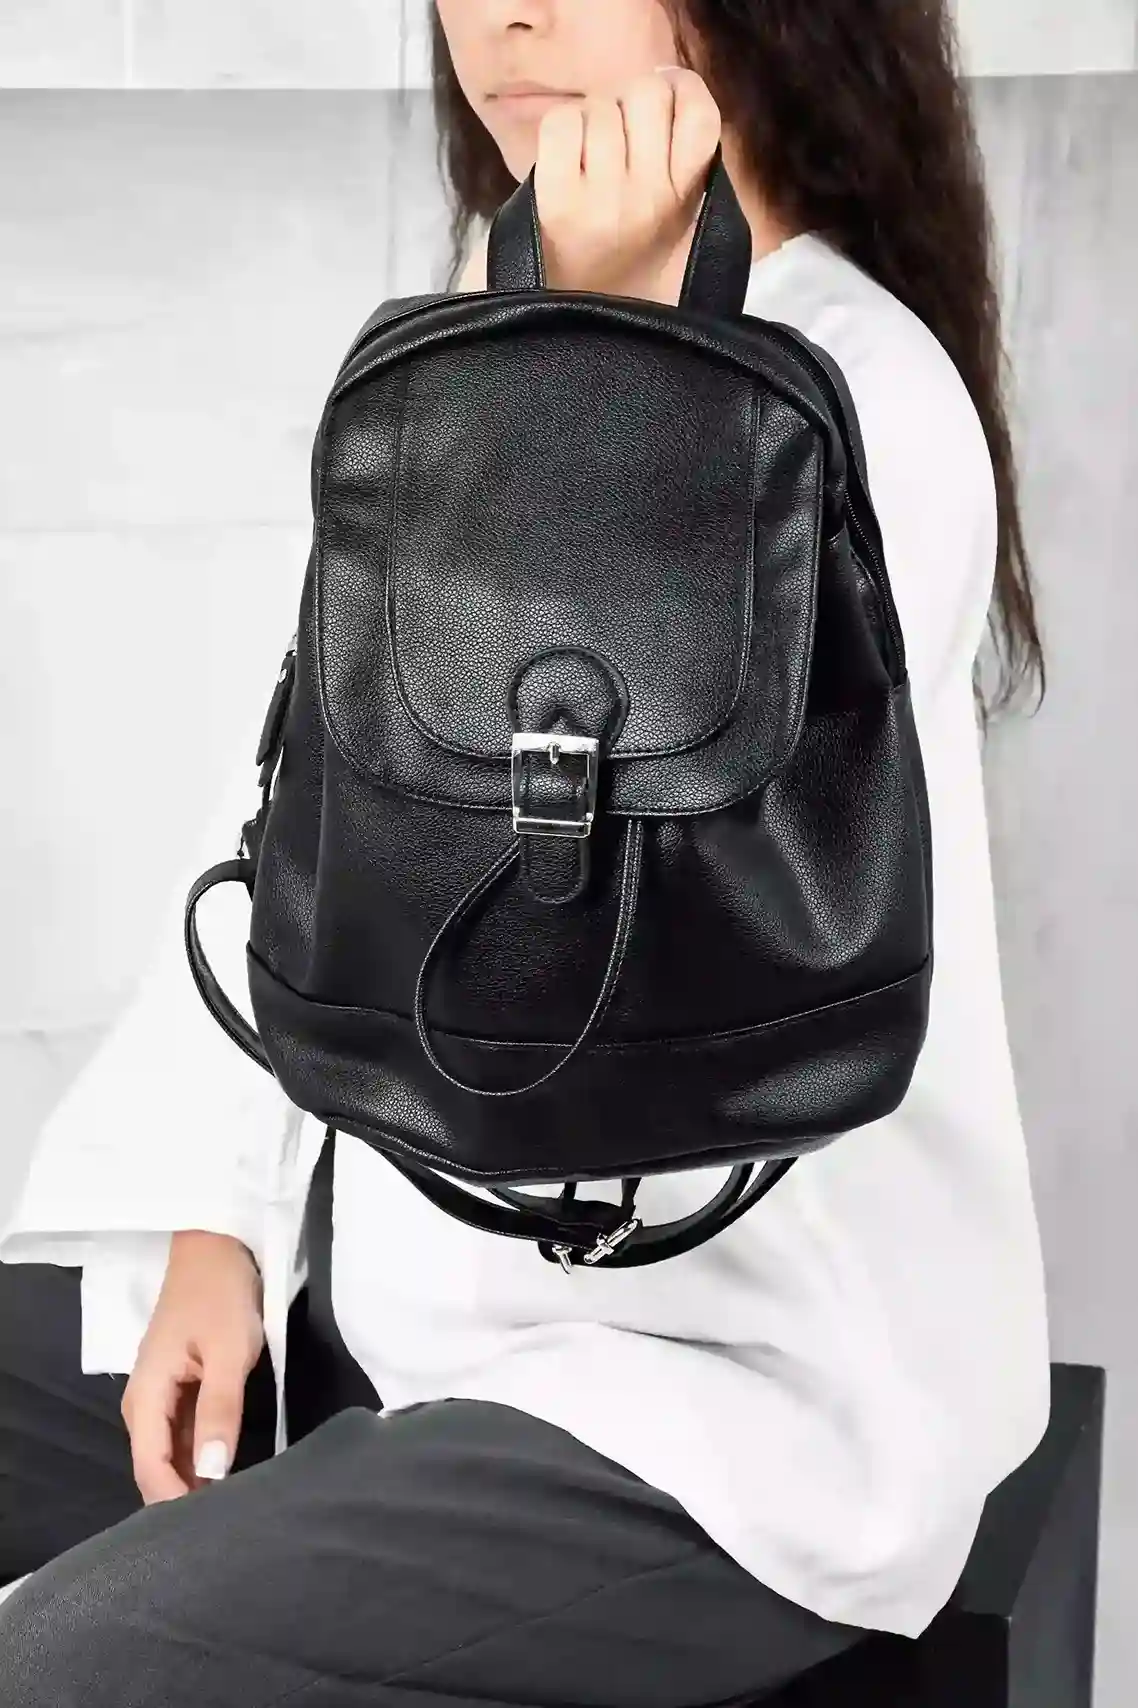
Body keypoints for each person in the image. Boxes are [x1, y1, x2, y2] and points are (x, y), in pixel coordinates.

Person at [0, 2, 1052, 1703]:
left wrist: (595, 348)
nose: (503, 14)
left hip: (716, 1397)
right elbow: (323, 818)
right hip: (396, 1302)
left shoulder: (853, 389)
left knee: (58, 1666)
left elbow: (592, 955)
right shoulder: (480, 333)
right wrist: (221, 1221)